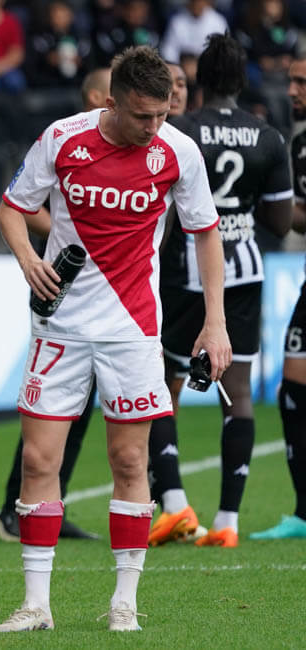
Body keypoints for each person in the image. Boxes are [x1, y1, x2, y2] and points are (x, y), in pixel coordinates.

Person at [0, 45, 230, 634]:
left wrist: (215, 322)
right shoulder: (63, 138)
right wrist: (27, 259)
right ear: (112, 102)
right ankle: (36, 605)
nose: (154, 127)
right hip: (61, 325)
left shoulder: (179, 151)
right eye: (143, 116)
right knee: (38, 459)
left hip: (133, 329)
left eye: (163, 115)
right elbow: (11, 209)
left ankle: (124, 601)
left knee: (129, 459)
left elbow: (206, 233)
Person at [149, 34, 293, 548]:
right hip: (245, 270)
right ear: (242, 80)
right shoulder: (268, 137)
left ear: (200, 80)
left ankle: (174, 505)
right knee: (239, 393)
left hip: (188, 269)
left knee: (163, 383)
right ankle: (228, 520)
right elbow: (280, 222)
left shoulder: (180, 131)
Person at [0, 67, 113, 545]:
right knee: (51, 405)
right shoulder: (64, 140)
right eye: (114, 90)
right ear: (96, 96)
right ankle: (15, 508)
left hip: (111, 294)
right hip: (65, 286)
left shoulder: (125, 145)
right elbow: (22, 203)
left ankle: (51, 503)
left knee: (82, 406)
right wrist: (71, 231)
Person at [254, 55, 306, 539]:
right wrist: (265, 196)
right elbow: (299, 218)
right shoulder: (301, 144)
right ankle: (303, 512)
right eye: (291, 81)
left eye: (301, 82)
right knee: (293, 389)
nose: (292, 90)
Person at [160, 0, 228, 66]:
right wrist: (179, 67)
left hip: (209, 66)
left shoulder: (218, 21)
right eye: (194, 1)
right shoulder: (177, 21)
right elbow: (169, 51)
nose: (197, 4)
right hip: (183, 66)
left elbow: (224, 51)